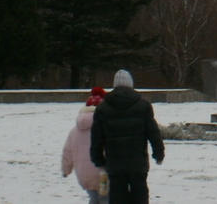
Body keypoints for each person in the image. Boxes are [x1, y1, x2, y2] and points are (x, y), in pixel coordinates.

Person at [90, 70, 164, 204]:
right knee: (140, 194)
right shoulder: (143, 106)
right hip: (138, 162)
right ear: (131, 84)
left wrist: (98, 159)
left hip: (114, 163)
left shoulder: (102, 108)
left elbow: (96, 138)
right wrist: (158, 153)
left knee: (117, 196)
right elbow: (153, 133)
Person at [62, 87, 109, 203]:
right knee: (105, 199)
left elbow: (67, 152)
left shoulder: (74, 131)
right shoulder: (105, 127)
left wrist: (66, 169)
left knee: (93, 197)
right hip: (103, 173)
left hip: (84, 174)